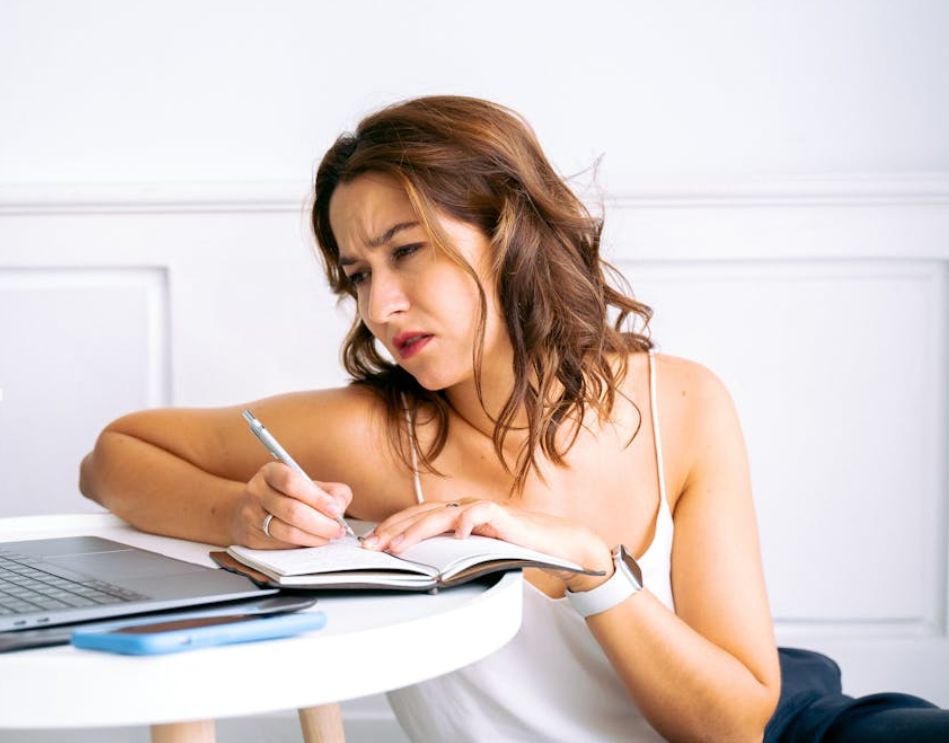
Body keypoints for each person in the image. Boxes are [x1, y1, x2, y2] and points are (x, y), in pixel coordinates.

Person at [78, 96, 943, 741]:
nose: (379, 304)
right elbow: (114, 455)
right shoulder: (373, 438)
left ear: (507, 229)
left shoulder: (678, 403)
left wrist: (585, 562)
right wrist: (239, 514)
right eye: (355, 275)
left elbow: (734, 721)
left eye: (405, 251)